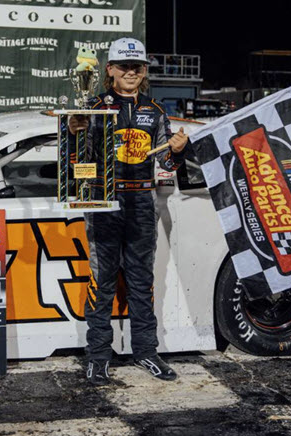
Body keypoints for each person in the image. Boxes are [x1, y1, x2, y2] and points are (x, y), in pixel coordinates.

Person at [68, 37, 188, 385]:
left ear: (144, 71)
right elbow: (76, 159)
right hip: (103, 204)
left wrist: (178, 150)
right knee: (102, 282)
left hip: (141, 205)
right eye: (124, 66)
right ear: (110, 70)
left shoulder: (156, 111)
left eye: (138, 67)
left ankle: (146, 352)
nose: (131, 72)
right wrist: (73, 131)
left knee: (141, 282)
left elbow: (167, 163)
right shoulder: (92, 106)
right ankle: (98, 356)